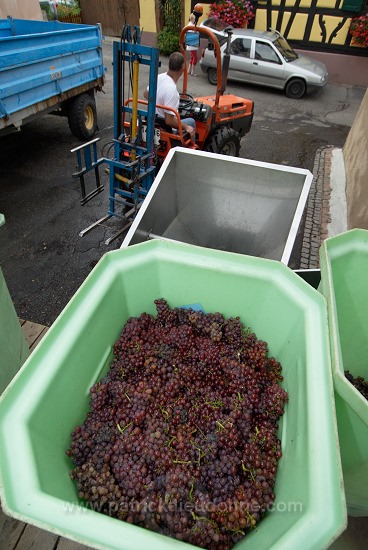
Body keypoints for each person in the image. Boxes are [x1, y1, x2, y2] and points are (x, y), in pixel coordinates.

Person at [144, 52, 196, 142]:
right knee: (191, 122)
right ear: (182, 67)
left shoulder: (159, 77)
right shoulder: (172, 90)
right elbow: (169, 121)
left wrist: (158, 103)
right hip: (165, 127)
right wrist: (187, 127)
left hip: (152, 119)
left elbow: (146, 94)